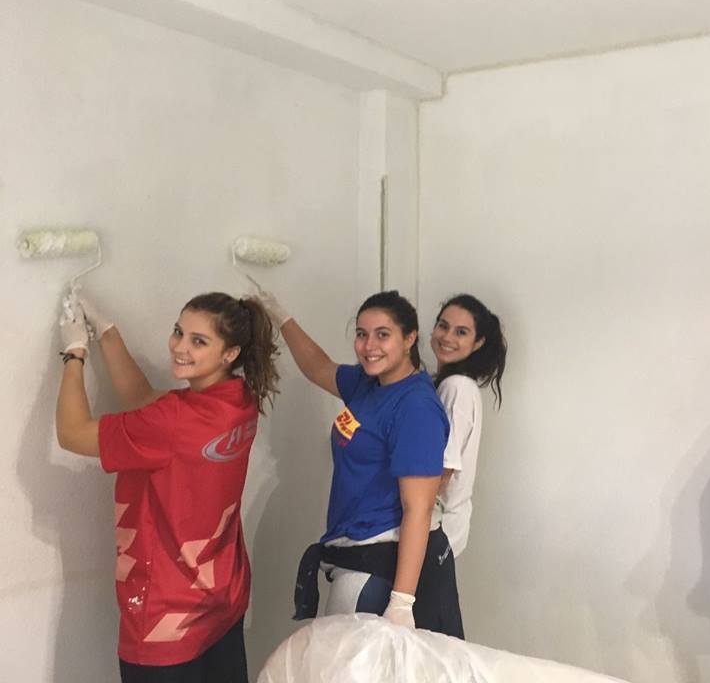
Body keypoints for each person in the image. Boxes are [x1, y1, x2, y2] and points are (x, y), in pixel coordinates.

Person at [55, 289, 279, 683]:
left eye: (198, 341)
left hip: (166, 619)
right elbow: (142, 398)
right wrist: (107, 332)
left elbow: (72, 433)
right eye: (178, 332)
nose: (179, 346)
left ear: (230, 353)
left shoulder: (172, 421)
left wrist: (74, 354)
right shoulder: (240, 400)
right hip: (223, 599)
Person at [253, 287, 463, 637]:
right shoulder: (370, 384)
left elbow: (419, 508)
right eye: (362, 334)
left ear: (409, 338)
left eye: (383, 335)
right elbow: (319, 367)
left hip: (380, 561)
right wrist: (281, 316)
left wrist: (401, 602)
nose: (369, 346)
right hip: (354, 551)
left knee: (346, 660)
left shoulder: (415, 408)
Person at [430, 294, 507, 558]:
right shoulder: (451, 384)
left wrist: (415, 523)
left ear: (478, 342)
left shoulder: (457, 387)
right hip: (441, 526)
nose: (447, 337)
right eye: (443, 326)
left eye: (461, 332)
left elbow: (444, 468)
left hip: (436, 527)